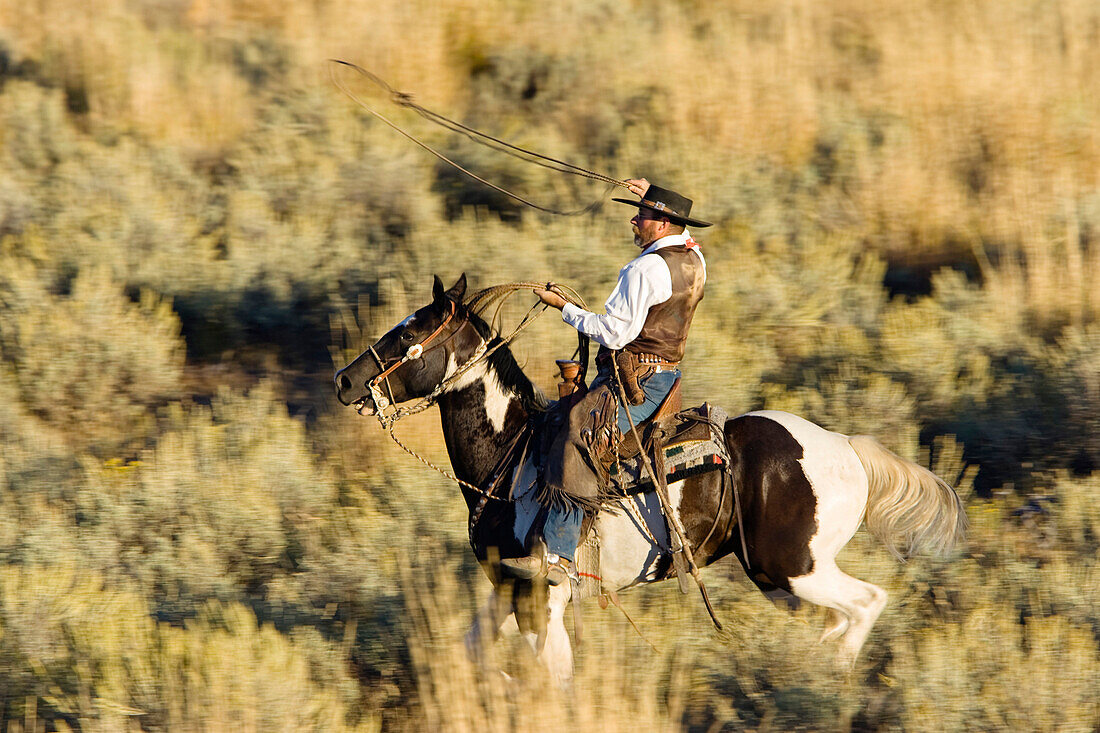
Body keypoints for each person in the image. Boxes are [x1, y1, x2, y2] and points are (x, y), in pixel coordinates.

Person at [501, 179, 710, 585]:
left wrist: (567, 309)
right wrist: (651, 190)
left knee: (579, 431)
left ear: (663, 224)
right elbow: (685, 234)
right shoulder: (694, 258)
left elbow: (614, 334)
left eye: (643, 215)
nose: (634, 219)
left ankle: (559, 556)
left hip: (638, 381)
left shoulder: (644, 268)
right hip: (665, 377)